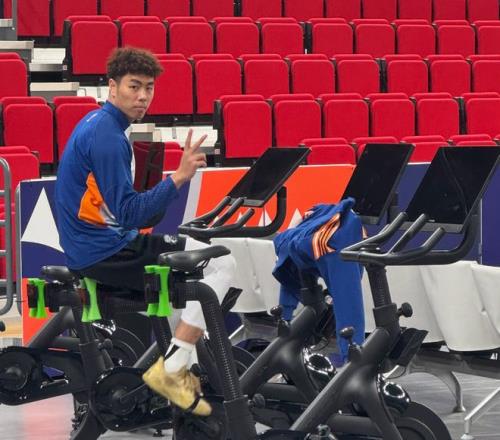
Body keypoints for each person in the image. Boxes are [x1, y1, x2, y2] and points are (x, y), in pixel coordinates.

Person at [55, 47, 236, 417]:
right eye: (133, 86)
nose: (142, 96)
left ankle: (177, 371)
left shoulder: (99, 124)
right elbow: (130, 215)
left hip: (97, 245)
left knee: (184, 284)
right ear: (112, 87)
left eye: (148, 88)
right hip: (104, 251)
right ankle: (173, 369)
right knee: (222, 264)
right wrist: (179, 177)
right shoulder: (107, 136)